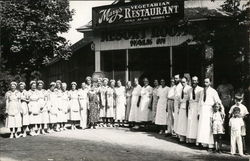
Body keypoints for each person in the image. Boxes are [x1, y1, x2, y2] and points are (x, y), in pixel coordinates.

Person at [197, 78, 224, 149]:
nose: (205, 83)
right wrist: (198, 112)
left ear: (210, 83)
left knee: (209, 127)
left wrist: (222, 109)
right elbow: (200, 102)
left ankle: (210, 144)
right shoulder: (202, 91)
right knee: (203, 127)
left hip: (209, 111)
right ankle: (204, 143)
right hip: (203, 111)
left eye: (207, 82)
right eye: (204, 82)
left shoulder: (213, 91)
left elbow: (218, 101)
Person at [186, 76, 203, 143]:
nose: (194, 82)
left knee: (196, 123)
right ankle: (190, 139)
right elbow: (187, 100)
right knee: (190, 123)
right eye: (193, 80)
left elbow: (201, 101)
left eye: (195, 80)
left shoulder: (200, 89)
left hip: (197, 107)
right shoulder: (189, 90)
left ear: (198, 81)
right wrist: (187, 110)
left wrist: (199, 111)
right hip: (191, 107)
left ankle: (196, 140)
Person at [176, 77, 191, 142]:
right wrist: (179, 107)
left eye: (184, 82)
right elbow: (179, 99)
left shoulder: (189, 88)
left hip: (186, 107)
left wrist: (187, 108)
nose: (183, 83)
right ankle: (181, 136)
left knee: (185, 122)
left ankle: (186, 137)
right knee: (181, 122)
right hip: (181, 106)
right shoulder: (180, 88)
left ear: (187, 82)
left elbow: (188, 99)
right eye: (182, 82)